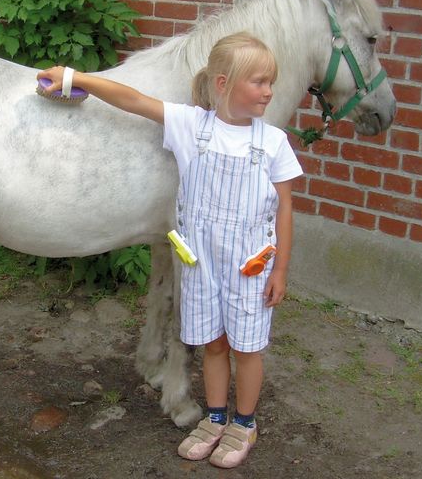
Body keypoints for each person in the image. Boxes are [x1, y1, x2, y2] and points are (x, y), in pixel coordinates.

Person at [37, 32, 303, 468]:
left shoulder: (273, 142)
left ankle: (245, 423)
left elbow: (286, 210)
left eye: (270, 81)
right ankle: (216, 417)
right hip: (200, 265)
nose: (269, 91)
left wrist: (281, 270)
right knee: (214, 344)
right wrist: (74, 76)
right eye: (258, 81)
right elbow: (133, 100)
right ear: (222, 83)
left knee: (248, 348)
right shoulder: (190, 126)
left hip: (250, 267)